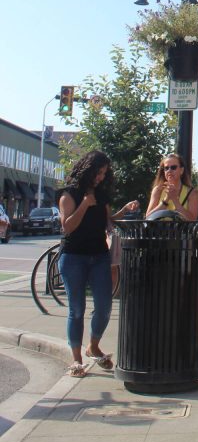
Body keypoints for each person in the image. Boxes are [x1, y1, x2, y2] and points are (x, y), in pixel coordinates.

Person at [58, 150, 139, 377]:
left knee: (104, 306)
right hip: (73, 257)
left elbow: (108, 221)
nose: (101, 177)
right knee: (77, 309)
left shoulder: (101, 195)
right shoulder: (69, 194)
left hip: (99, 256)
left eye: (104, 173)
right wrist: (84, 204)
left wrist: (124, 210)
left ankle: (93, 345)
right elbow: (67, 227)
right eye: (98, 172)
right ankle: (77, 360)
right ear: (87, 169)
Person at [146, 154, 198, 220]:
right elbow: (148, 217)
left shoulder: (192, 193)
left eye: (173, 167)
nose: (169, 170)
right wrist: (166, 200)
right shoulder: (158, 190)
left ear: (181, 170)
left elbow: (192, 220)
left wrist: (175, 200)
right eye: (166, 168)